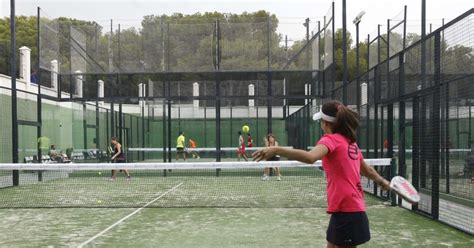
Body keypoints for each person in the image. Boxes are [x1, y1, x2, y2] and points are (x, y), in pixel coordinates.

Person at [253, 100, 390, 248]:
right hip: (350, 209)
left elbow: (310, 157)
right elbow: (367, 170)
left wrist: (277, 150)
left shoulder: (330, 140)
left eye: (321, 121)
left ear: (326, 122)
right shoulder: (351, 143)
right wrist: (383, 182)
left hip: (346, 211)